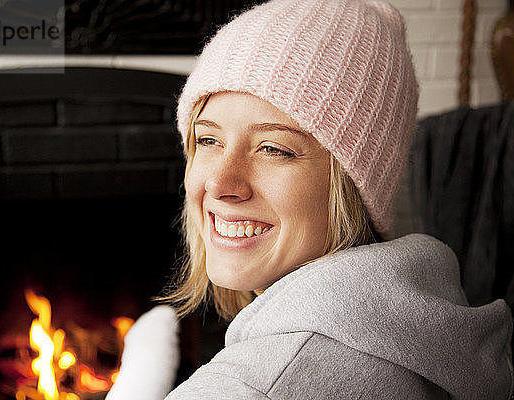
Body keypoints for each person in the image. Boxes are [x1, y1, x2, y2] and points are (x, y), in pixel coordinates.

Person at [159, 0, 514, 398]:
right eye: (208, 139)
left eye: (273, 148)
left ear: (353, 184)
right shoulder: (428, 325)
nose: (221, 183)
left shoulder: (255, 386)